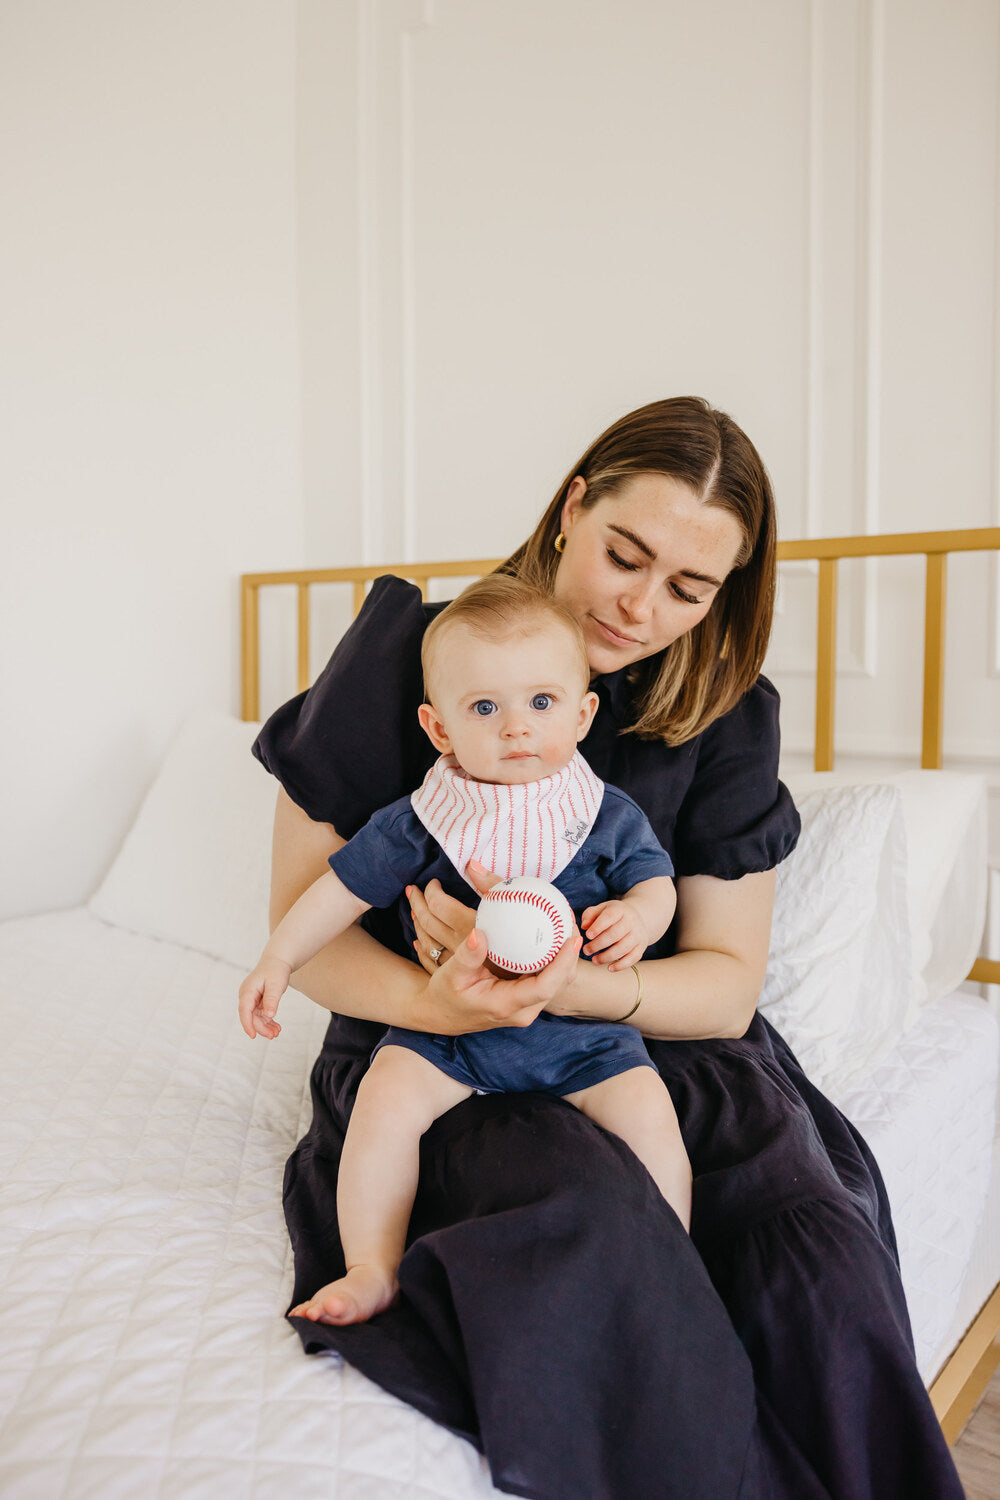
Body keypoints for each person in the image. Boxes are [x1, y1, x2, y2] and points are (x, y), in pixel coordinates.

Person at [254, 397, 964, 1499]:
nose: (640, 607)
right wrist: (445, 1005)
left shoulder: (726, 713)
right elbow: (306, 937)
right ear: (571, 507)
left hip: (657, 1041)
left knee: (815, 1260)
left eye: (689, 587)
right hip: (443, 1053)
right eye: (624, 556)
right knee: (593, 1234)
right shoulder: (413, 659)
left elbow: (723, 992)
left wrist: (576, 984)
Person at [239, 578, 688, 1326]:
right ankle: (371, 1266)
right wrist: (278, 959)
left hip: (583, 1037)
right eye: (484, 708)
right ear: (439, 728)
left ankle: (668, 1262)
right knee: (383, 1099)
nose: (516, 728)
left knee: (651, 1114)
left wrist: (638, 917)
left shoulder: (602, 814)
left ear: (582, 715)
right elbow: (336, 893)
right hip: (450, 1031)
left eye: (541, 703)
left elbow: (657, 883)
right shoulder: (423, 820)